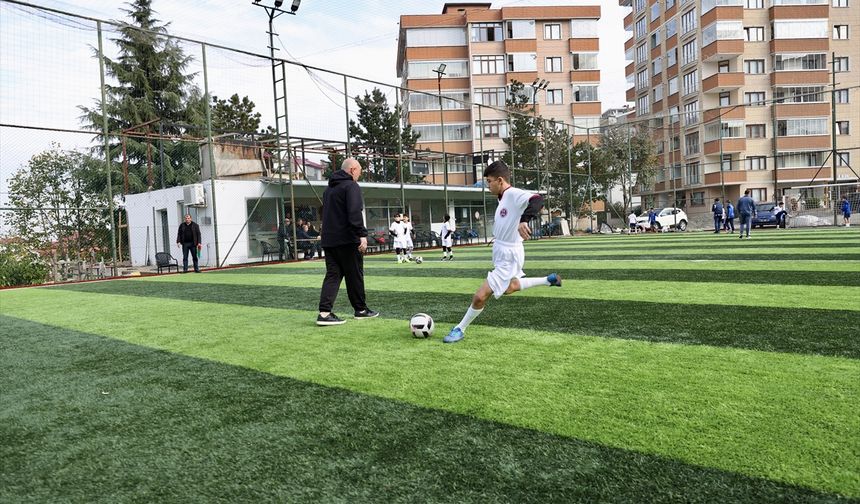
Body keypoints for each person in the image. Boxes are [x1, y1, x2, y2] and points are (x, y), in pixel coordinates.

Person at [444, 160, 562, 344]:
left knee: (480, 296)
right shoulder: (503, 198)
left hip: (509, 254)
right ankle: (548, 280)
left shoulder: (513, 194)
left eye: (489, 182)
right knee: (509, 288)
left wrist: (525, 220)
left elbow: (538, 199)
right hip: (503, 251)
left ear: (500, 180)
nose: (487, 186)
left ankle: (460, 328)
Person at [316, 157, 378, 326]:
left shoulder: (329, 189)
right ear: (352, 170)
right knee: (355, 274)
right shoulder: (351, 186)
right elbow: (354, 213)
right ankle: (361, 310)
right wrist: (362, 235)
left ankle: (324, 313)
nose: (359, 175)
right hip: (348, 239)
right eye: (359, 171)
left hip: (329, 240)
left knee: (333, 275)